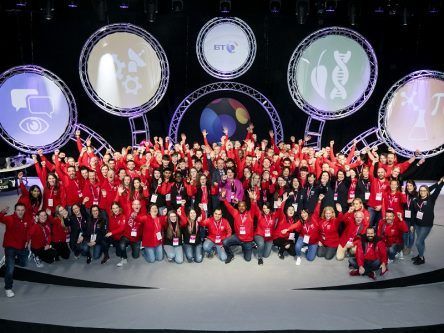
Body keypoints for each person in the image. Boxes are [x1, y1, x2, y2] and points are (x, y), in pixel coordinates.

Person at [0, 203, 32, 298]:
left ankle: (8, 261)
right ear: (15, 210)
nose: (20, 212)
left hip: (22, 247)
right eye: (18, 210)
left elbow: (29, 231)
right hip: (10, 247)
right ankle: (8, 288)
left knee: (24, 263)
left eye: (22, 210)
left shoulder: (27, 219)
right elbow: (0, 218)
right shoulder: (9, 218)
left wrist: (27, 240)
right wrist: (2, 212)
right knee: (10, 269)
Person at [412, 177, 444, 265]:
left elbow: (437, 189)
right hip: (417, 224)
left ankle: (421, 258)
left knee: (418, 242)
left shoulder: (431, 199)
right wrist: (412, 224)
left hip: (426, 225)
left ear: (427, 191)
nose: (422, 192)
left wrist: (441, 182)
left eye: (424, 190)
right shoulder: (416, 199)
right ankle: (420, 255)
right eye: (421, 190)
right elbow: (414, 212)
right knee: (421, 241)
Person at [221, 190, 255, 264]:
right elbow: (228, 206)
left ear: (246, 207)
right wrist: (223, 198)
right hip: (238, 237)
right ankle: (230, 255)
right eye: (239, 206)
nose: (241, 208)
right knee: (225, 242)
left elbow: (253, 207)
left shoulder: (250, 214)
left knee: (248, 259)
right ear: (238, 207)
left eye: (243, 206)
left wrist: (252, 199)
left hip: (247, 240)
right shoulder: (235, 213)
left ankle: (248, 245)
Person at [314, 194, 343, 260]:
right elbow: (316, 213)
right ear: (324, 213)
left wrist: (340, 211)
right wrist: (319, 201)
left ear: (332, 213)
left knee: (327, 257)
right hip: (323, 242)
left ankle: (334, 249)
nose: (328, 215)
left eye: (329, 213)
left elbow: (340, 219)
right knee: (319, 254)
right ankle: (327, 249)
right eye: (326, 213)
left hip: (332, 243)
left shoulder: (334, 221)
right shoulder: (321, 220)